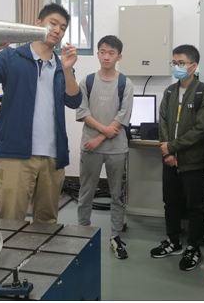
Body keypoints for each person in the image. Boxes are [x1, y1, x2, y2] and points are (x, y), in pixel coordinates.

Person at [0, 3, 82, 223]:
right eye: (53, 23)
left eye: (63, 27)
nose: (57, 30)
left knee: (47, 222)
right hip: (14, 155)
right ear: (38, 24)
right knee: (11, 221)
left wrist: (67, 70)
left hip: (52, 157)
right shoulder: (12, 57)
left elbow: (74, 101)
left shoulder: (61, 66)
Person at [150, 44, 204, 271]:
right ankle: (173, 241)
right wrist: (167, 151)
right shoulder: (169, 92)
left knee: (195, 206)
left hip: (192, 160)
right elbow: (163, 121)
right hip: (169, 160)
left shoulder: (203, 93)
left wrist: (172, 147)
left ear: (193, 66)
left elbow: (200, 129)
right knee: (171, 202)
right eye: (174, 63)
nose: (176, 67)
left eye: (181, 63)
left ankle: (193, 247)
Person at [76, 35, 134, 260]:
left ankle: (116, 235)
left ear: (119, 56)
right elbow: (83, 112)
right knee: (86, 192)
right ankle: (83, 232)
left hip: (116, 149)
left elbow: (123, 115)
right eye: (102, 52)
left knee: (117, 194)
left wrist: (101, 137)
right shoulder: (87, 81)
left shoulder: (125, 84)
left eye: (111, 53)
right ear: (98, 54)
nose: (106, 56)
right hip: (90, 147)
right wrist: (103, 132)